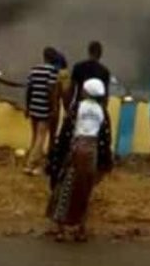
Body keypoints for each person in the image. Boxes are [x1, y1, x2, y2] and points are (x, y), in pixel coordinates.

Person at [47, 78, 110, 242]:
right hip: (92, 151)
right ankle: (81, 229)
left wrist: (57, 155)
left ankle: (60, 229)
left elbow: (66, 131)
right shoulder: (102, 110)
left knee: (65, 187)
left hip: (75, 150)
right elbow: (105, 137)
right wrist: (105, 163)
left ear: (86, 92)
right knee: (84, 190)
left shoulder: (77, 108)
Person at [24, 47, 60, 175]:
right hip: (44, 107)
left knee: (35, 136)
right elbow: (51, 89)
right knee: (41, 137)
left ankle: (35, 165)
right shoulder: (53, 71)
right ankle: (30, 165)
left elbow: (29, 89)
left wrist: (27, 107)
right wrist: (54, 106)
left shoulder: (34, 69)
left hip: (34, 106)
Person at [67, 41, 111, 110]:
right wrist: (104, 110)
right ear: (100, 54)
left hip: (80, 105)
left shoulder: (78, 67)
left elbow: (71, 89)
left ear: (89, 51)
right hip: (97, 107)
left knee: (68, 120)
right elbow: (105, 95)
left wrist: (69, 108)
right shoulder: (104, 71)